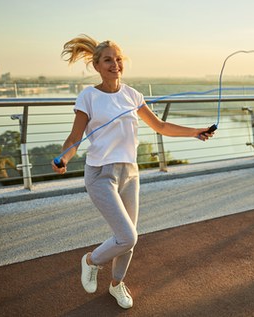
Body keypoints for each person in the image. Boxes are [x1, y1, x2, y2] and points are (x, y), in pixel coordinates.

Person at [51, 34, 214, 309]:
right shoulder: (88, 96)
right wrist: (64, 158)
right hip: (100, 174)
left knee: (129, 239)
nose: (115, 64)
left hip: (130, 174)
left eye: (118, 59)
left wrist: (195, 132)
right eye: (108, 60)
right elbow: (75, 139)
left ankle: (116, 284)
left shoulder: (132, 94)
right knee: (127, 236)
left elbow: (160, 126)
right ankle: (91, 261)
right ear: (97, 66)